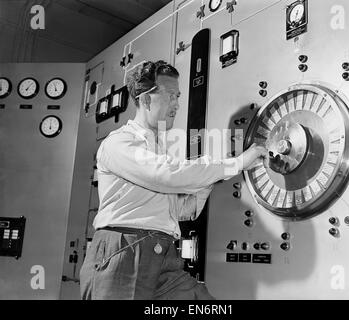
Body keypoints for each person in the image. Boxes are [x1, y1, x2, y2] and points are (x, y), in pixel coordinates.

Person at [79, 60, 269, 300]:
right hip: (123, 252)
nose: (177, 104)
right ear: (146, 99)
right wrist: (235, 163)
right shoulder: (119, 143)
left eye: (178, 96)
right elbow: (166, 174)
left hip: (163, 254)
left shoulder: (158, 150)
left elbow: (183, 211)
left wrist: (206, 180)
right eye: (170, 96)